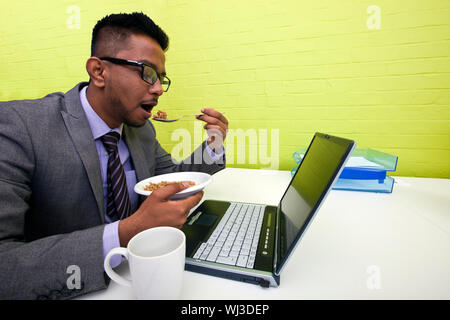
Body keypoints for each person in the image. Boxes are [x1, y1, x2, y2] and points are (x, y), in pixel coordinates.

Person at [0, 12, 228, 299]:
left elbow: (172, 179)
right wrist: (126, 232)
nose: (158, 89)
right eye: (147, 72)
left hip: (145, 277)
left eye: (161, 79)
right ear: (98, 71)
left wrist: (213, 145)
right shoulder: (19, 127)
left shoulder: (141, 130)